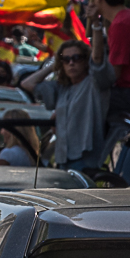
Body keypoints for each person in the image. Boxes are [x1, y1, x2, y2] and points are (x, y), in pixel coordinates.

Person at [21, 39, 111, 168]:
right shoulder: (62, 88)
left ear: (86, 61)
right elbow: (27, 84)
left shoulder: (93, 84)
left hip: (86, 159)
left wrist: (96, 26)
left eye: (77, 58)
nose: (71, 63)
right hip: (63, 157)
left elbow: (98, 61)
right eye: (66, 59)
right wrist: (54, 65)